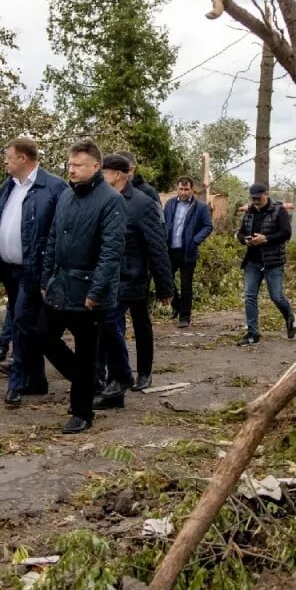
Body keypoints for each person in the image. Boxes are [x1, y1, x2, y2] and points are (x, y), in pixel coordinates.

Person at [0, 137, 68, 406]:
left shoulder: (53, 187)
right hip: (9, 270)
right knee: (27, 325)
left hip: (35, 270)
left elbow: (64, 230)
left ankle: (17, 383)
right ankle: (36, 380)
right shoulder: (8, 187)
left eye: (8, 155)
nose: (5, 160)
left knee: (21, 323)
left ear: (22, 158)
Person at [41, 141, 125, 433]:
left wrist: (96, 292)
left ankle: (82, 412)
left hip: (89, 290)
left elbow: (111, 252)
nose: (71, 169)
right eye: (70, 164)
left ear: (95, 167)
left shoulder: (111, 200)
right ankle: (86, 381)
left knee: (88, 350)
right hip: (60, 284)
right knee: (43, 336)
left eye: (78, 165)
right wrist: (45, 280)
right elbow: (52, 239)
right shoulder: (66, 196)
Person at [94, 153, 175, 408]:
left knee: (139, 325)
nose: (99, 176)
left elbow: (157, 246)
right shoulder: (100, 199)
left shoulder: (142, 203)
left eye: (103, 171)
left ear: (118, 174)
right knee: (109, 328)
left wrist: (165, 286)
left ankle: (141, 372)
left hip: (133, 276)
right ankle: (113, 380)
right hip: (108, 278)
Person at [235, 182, 296, 346]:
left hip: (273, 261)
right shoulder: (249, 212)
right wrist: (245, 240)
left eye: (258, 198)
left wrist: (266, 239)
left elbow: (286, 233)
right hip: (252, 261)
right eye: (253, 198)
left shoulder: (279, 210)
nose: (256, 201)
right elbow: (240, 232)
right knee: (249, 296)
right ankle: (252, 334)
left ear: (267, 194)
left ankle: (289, 316)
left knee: (276, 296)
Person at [163, 175, 213, 328]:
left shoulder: (200, 207)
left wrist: (196, 240)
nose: (183, 192)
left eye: (186, 189)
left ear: (192, 190)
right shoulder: (170, 204)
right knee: (166, 281)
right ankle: (177, 306)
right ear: (176, 189)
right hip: (170, 249)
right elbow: (165, 222)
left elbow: (207, 226)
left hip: (188, 251)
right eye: (180, 189)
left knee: (186, 285)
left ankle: (185, 317)